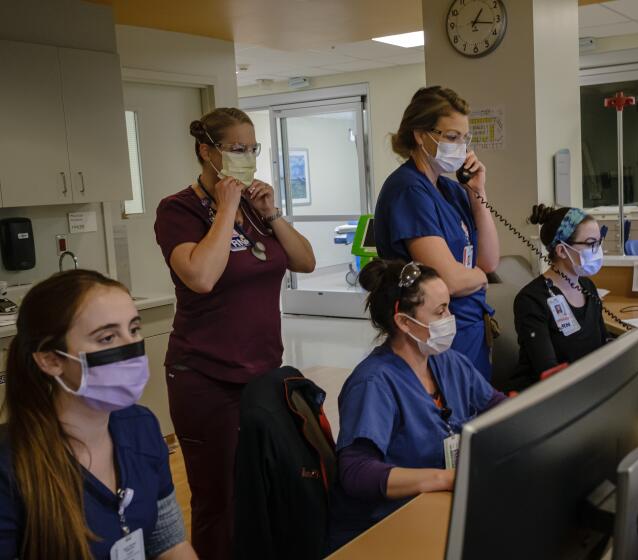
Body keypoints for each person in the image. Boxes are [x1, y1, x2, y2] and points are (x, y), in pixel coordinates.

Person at [154, 107, 316, 559]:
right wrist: (225, 208)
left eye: (252, 149)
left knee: (267, 485)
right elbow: (201, 277)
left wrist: (273, 213)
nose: (247, 158)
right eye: (236, 149)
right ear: (207, 152)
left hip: (263, 373)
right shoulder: (179, 210)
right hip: (205, 376)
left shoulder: (255, 206)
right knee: (220, 498)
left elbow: (304, 261)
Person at [0, 270, 196, 560]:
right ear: (51, 359)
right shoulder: (10, 466)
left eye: (134, 329)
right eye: (106, 338)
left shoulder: (141, 427)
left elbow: (169, 544)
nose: (130, 347)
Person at [327, 260, 506, 551]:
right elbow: (356, 473)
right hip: (381, 525)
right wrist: (444, 478)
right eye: (440, 311)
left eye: (449, 306)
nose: (450, 317)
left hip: (435, 506)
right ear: (404, 322)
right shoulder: (374, 383)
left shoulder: (448, 362)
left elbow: (496, 407)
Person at [374, 86, 500, 380]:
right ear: (421, 135)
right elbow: (452, 280)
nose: (461, 146)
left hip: (470, 328)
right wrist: (480, 278)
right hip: (435, 334)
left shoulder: (452, 190)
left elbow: (490, 260)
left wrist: (478, 193)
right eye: (452, 137)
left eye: (464, 139)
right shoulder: (408, 190)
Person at [509, 205, 638, 392]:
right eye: (591, 243)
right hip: (548, 400)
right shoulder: (531, 300)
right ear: (561, 251)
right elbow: (550, 373)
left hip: (587, 389)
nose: (598, 250)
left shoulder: (587, 287)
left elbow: (603, 341)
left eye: (599, 242)